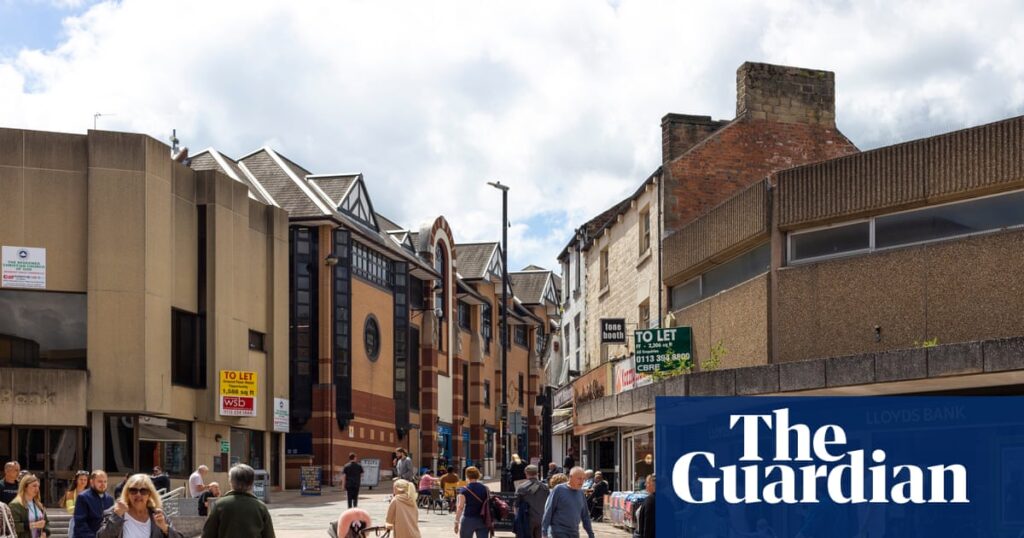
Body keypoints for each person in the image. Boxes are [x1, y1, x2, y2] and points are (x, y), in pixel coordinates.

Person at [97, 473, 184, 538]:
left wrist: (165, 528)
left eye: (143, 491)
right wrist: (116, 516)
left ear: (149, 494)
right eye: (133, 490)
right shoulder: (115, 513)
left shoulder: (158, 515)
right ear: (127, 493)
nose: (138, 495)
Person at [201, 464, 275, 538]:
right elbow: (269, 535)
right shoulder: (260, 507)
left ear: (230, 482)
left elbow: (207, 534)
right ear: (252, 483)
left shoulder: (220, 505)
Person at [541, 467, 594, 538]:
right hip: (558, 531)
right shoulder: (559, 490)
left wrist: (591, 534)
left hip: (574, 532)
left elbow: (585, 515)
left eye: (583, 479)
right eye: (579, 478)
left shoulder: (581, 493)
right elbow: (549, 510)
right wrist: (544, 532)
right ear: (570, 477)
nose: (582, 481)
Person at [74, 470, 114, 538]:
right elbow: (80, 523)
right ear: (92, 482)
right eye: (100, 481)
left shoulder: (110, 499)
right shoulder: (83, 497)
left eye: (105, 481)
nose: (103, 484)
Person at [453, 466, 489, 538]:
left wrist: (456, 521)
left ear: (467, 476)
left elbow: (460, 507)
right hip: (482, 520)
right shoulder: (485, 488)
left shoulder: (464, 490)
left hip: (468, 519)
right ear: (478, 475)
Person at [514, 465, 549, 538]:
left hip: (527, 519)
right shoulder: (545, 487)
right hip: (542, 519)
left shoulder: (521, 487)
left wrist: (517, 519)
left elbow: (516, 505)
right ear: (537, 473)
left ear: (526, 473)